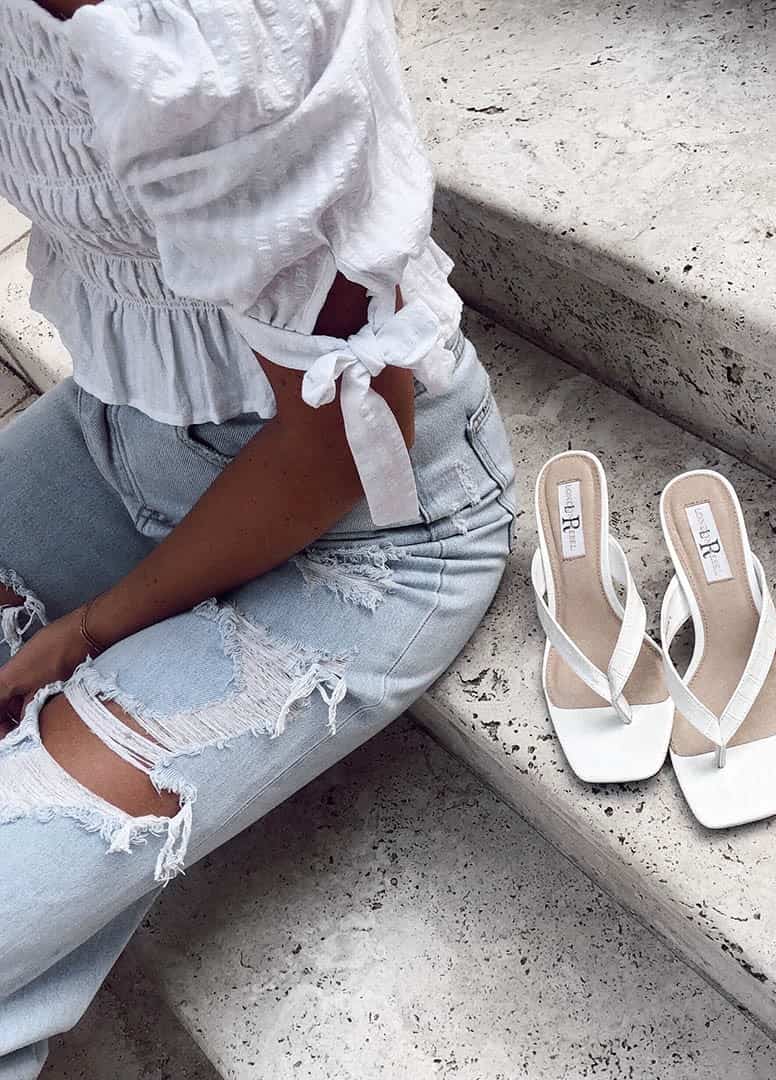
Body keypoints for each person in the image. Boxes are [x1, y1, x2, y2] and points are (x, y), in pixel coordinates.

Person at [0, 0, 516, 1072]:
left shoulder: (223, 36)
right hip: (125, 427)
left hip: (363, 534)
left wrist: (91, 632)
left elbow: (331, 453)